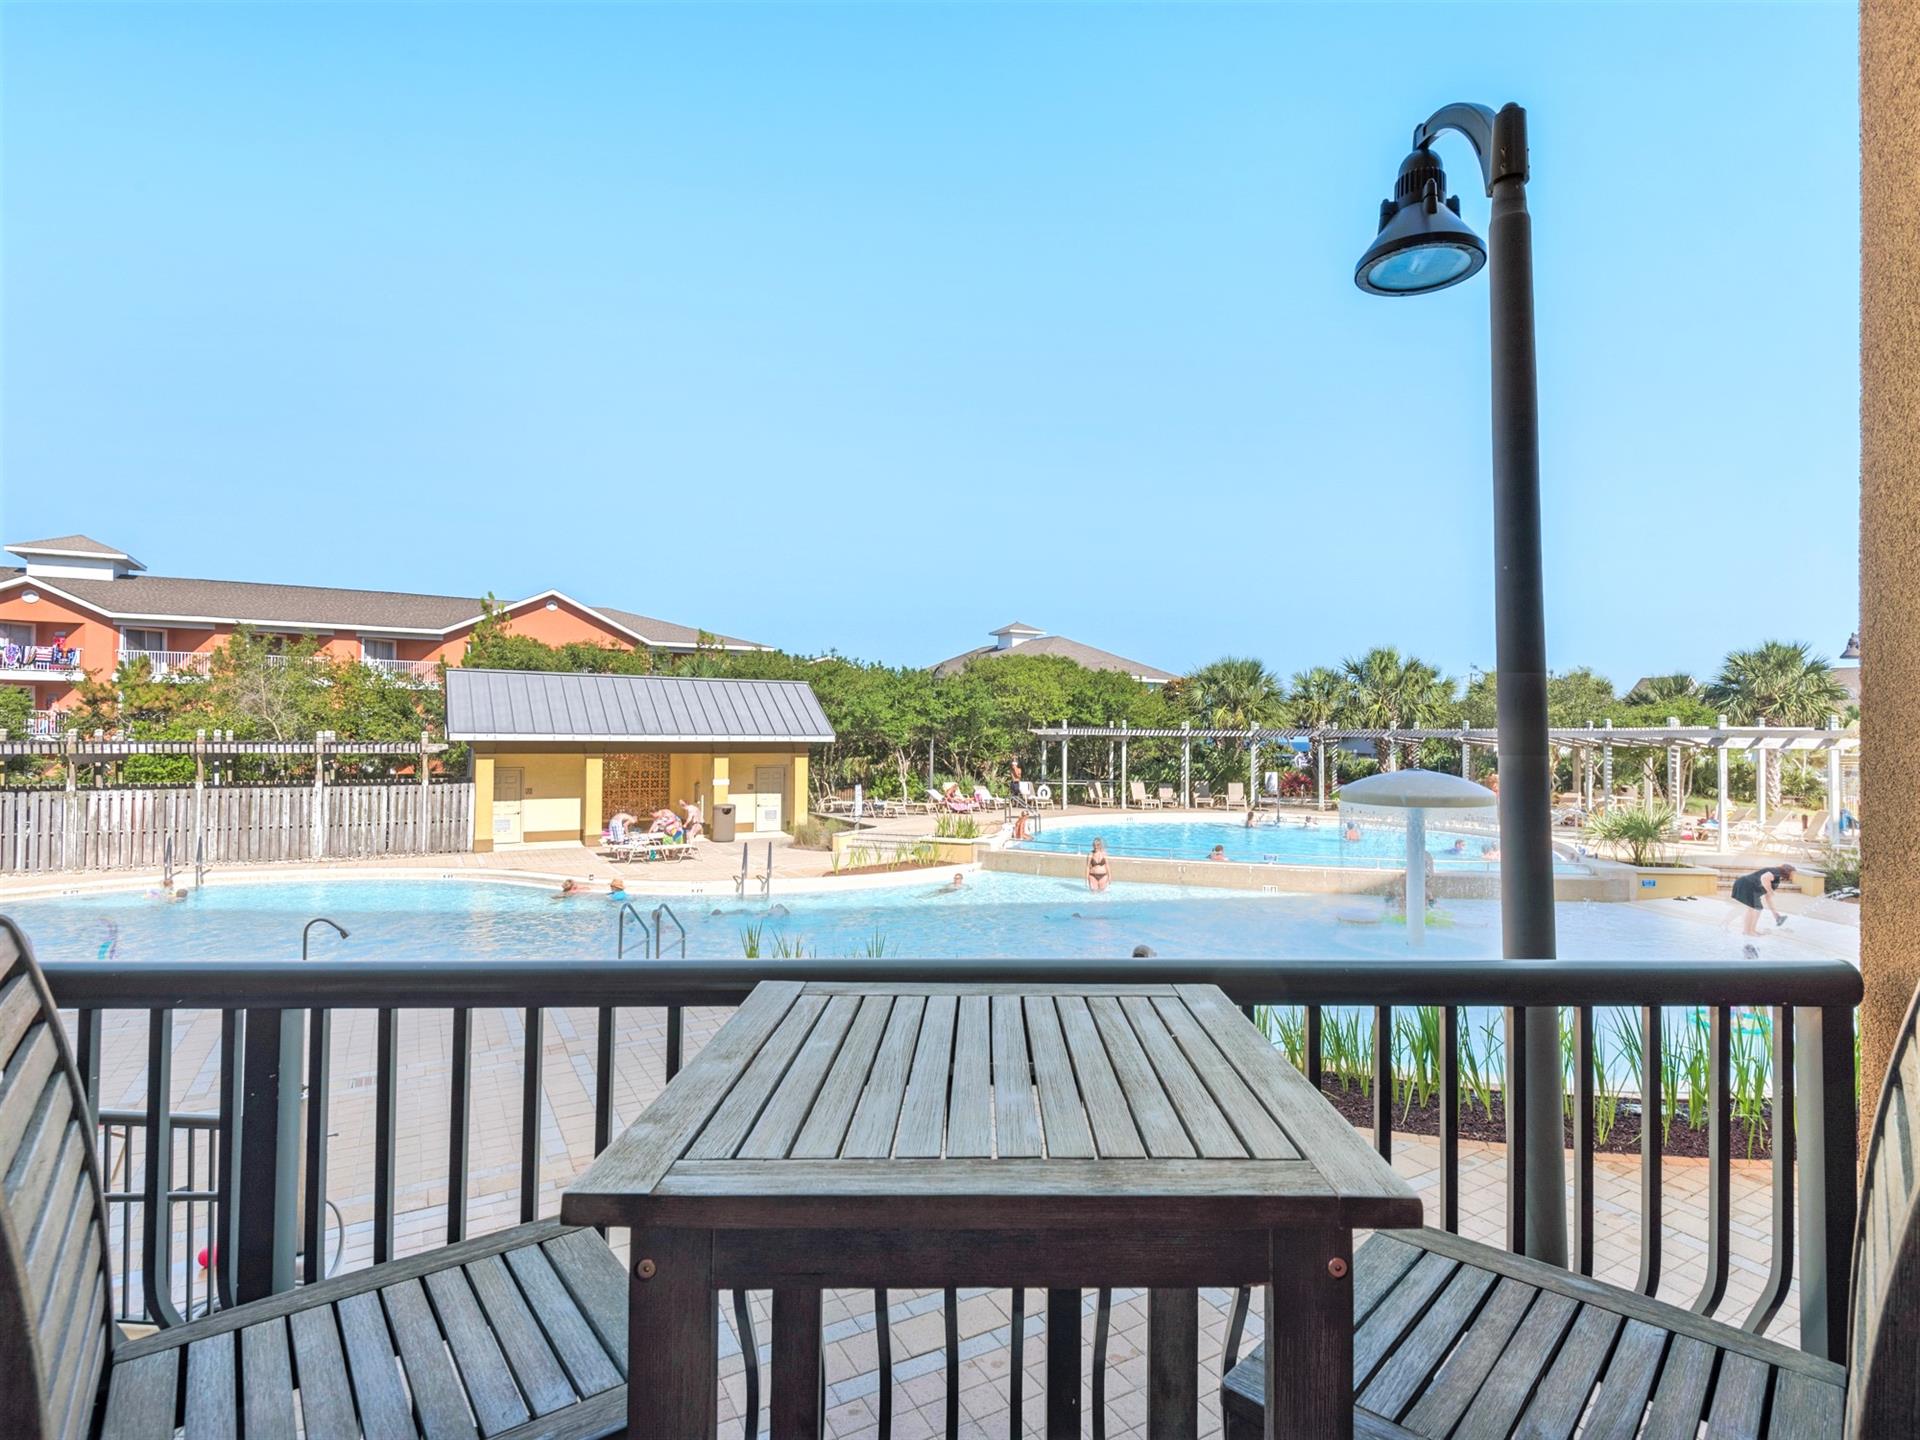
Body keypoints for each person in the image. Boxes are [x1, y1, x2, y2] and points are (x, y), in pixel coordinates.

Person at [1732, 863, 1796, 937]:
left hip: (1746, 886)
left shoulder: (1776, 879)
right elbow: (1764, 878)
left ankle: (1750, 931)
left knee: (1756, 908)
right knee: (1754, 909)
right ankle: (1748, 931)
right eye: (1792, 873)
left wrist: (1775, 914)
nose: (1794, 876)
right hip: (1745, 885)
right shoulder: (1776, 872)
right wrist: (1770, 890)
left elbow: (1768, 898)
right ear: (1787, 871)